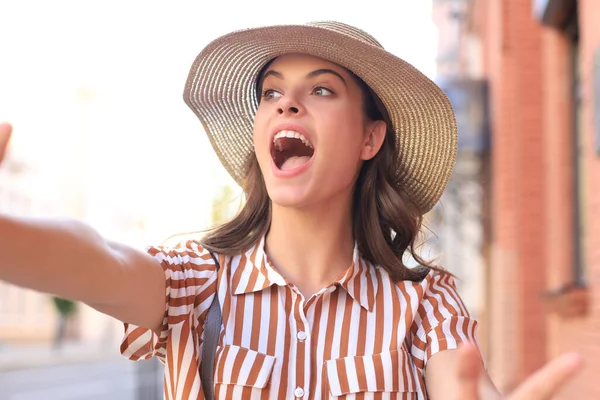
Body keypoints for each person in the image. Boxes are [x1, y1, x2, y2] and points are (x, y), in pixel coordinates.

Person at [0, 21, 582, 400]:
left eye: (322, 90)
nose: (287, 105)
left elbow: (464, 385)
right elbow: (91, 258)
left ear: (369, 138)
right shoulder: (197, 283)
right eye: (271, 92)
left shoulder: (425, 304)